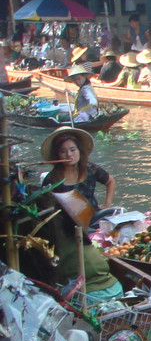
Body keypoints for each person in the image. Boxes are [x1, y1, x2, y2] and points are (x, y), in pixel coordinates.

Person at [37, 128, 122, 304]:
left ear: (79, 151)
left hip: (94, 218)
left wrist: (107, 203)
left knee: (116, 223)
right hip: (69, 227)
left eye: (73, 149)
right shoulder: (53, 179)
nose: (69, 154)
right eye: (63, 151)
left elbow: (110, 181)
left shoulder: (90, 169)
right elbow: (44, 207)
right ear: (57, 154)